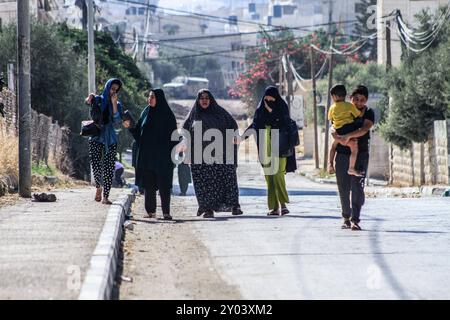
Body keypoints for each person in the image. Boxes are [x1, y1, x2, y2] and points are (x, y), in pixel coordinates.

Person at [179, 89, 243, 218]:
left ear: (211, 100)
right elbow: (185, 132)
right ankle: (208, 209)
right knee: (204, 183)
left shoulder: (220, 113)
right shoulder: (193, 116)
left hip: (221, 153)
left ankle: (234, 206)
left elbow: (233, 126)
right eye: (201, 98)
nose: (204, 100)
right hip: (200, 156)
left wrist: (235, 137)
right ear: (198, 100)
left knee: (228, 179)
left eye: (207, 98)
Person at [242, 86, 297, 216]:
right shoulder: (260, 110)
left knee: (278, 175)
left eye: (272, 99)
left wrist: (271, 110)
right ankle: (274, 208)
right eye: (267, 99)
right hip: (264, 145)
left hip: (280, 146)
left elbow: (284, 121)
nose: (268, 101)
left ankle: (283, 204)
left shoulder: (282, 107)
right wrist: (242, 137)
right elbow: (255, 124)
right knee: (269, 177)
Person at [124, 89, 177, 220]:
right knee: (149, 185)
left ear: (159, 98)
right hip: (147, 155)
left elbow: (174, 137)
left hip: (163, 156)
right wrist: (130, 126)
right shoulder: (146, 112)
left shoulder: (168, 115)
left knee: (164, 184)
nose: (149, 99)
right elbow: (138, 134)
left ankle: (166, 212)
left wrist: (173, 155)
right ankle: (150, 212)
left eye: (152, 97)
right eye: (149, 96)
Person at [331, 85, 375, 231]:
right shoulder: (344, 109)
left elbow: (364, 129)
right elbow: (333, 125)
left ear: (366, 100)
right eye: (356, 99)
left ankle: (356, 219)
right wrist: (335, 134)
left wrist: (349, 135)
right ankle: (346, 218)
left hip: (360, 154)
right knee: (343, 188)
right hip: (342, 154)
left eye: (362, 100)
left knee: (357, 188)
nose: (359, 102)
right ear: (350, 99)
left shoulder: (368, 113)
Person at [85, 78, 124, 205]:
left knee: (108, 168)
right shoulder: (98, 99)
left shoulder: (118, 104)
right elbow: (88, 104)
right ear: (108, 87)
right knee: (95, 164)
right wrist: (89, 98)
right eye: (112, 88)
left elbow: (117, 120)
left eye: (116, 90)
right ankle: (98, 187)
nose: (114, 91)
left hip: (110, 138)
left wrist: (113, 104)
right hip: (96, 135)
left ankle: (106, 196)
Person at [327, 84, 364, 177]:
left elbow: (330, 119)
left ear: (334, 96)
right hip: (348, 129)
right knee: (354, 148)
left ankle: (330, 164)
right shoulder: (349, 105)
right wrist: (363, 110)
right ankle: (351, 168)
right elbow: (358, 115)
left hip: (338, 131)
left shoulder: (332, 107)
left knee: (333, 147)